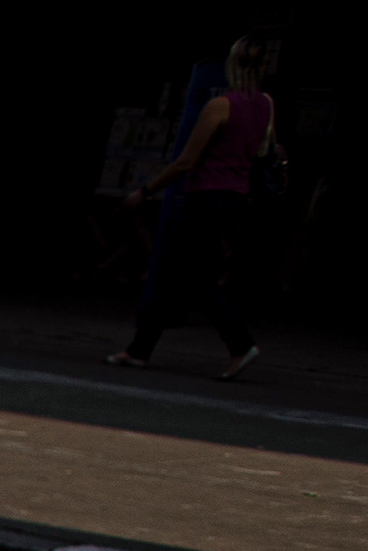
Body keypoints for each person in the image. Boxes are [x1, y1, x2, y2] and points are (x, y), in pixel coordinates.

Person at [115, 37, 281, 381]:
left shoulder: (220, 106)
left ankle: (239, 344)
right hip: (235, 199)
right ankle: (139, 350)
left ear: (231, 66)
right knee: (175, 272)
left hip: (207, 197)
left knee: (195, 277)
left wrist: (145, 191)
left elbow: (185, 161)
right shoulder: (266, 104)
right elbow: (264, 150)